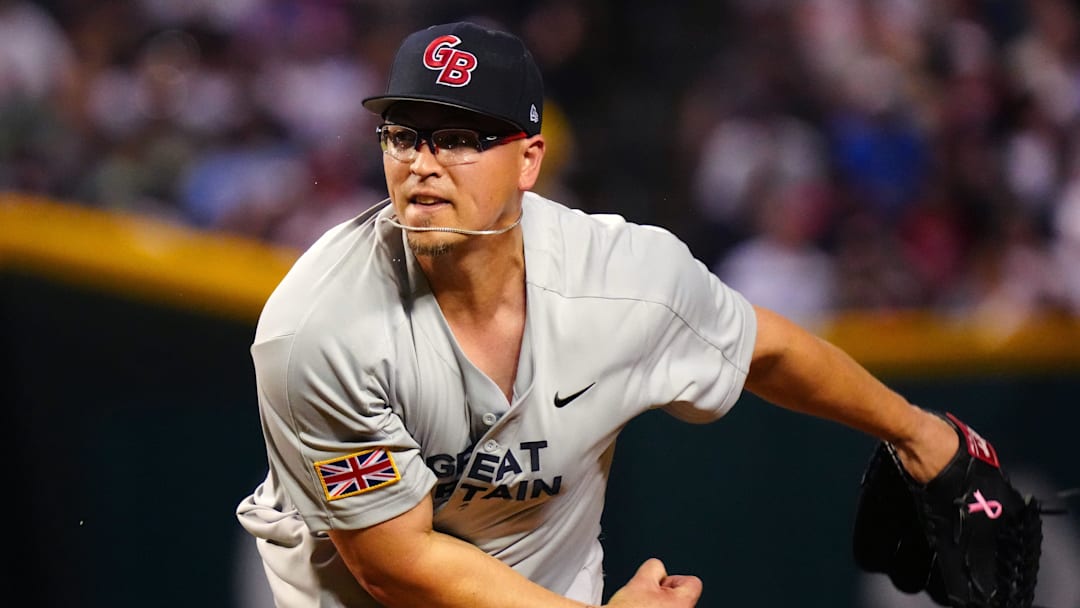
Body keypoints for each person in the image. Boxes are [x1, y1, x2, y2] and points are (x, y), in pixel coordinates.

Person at [236, 21, 959, 608]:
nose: (422, 163)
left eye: (458, 138)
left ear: (528, 160)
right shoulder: (317, 329)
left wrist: (923, 435)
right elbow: (397, 568)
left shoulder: (621, 276)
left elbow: (763, 348)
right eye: (403, 134)